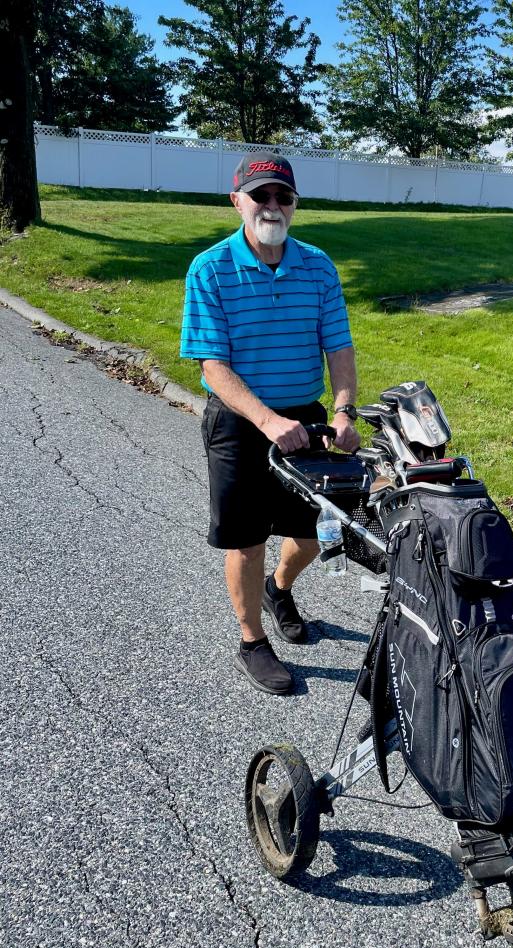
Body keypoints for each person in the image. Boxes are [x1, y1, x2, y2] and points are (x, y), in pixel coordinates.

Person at [180, 151, 361, 695]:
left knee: (313, 531)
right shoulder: (210, 268)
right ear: (238, 201)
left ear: (295, 204)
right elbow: (214, 365)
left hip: (303, 418)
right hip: (240, 421)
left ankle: (279, 589)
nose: (273, 206)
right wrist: (266, 420)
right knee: (247, 538)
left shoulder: (318, 265)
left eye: (284, 196)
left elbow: (339, 345)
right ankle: (252, 641)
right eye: (261, 195)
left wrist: (344, 408)